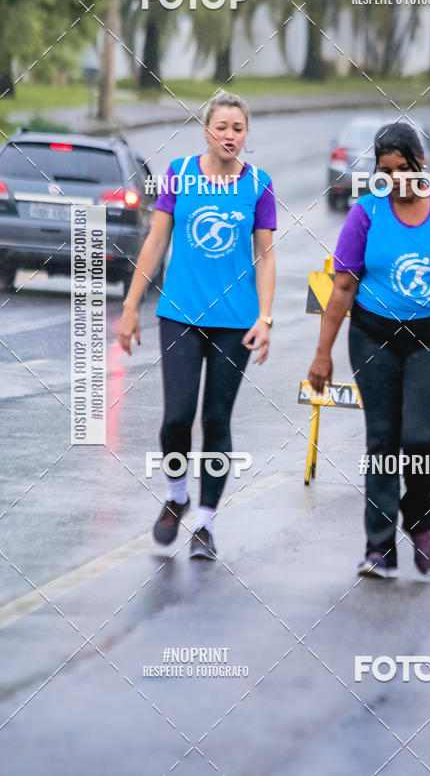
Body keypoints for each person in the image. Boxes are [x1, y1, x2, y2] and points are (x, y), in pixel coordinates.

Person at [307, 122, 430, 579]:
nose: (395, 181)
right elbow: (342, 289)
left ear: (420, 163)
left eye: (402, 170)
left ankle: (421, 525)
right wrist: (322, 354)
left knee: (419, 438)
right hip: (372, 338)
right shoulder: (365, 213)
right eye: (385, 172)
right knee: (382, 439)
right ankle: (379, 548)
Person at [117, 91, 276, 560]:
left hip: (236, 322)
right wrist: (129, 305)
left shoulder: (259, 185)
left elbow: (265, 257)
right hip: (179, 314)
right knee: (176, 418)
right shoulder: (180, 175)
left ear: (246, 135)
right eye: (222, 127)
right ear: (206, 130)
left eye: (238, 129)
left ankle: (205, 523)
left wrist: (265, 317)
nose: (230, 136)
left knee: (216, 419)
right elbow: (156, 241)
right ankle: (177, 494)